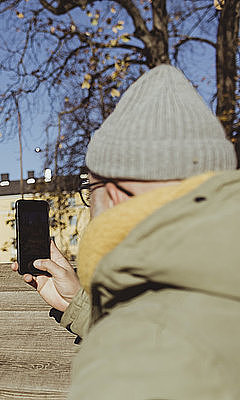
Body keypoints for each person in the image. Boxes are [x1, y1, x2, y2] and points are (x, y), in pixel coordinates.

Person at [13, 64, 240, 398]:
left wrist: (124, 335)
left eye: (89, 191)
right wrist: (79, 305)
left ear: (114, 194)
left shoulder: (132, 359)